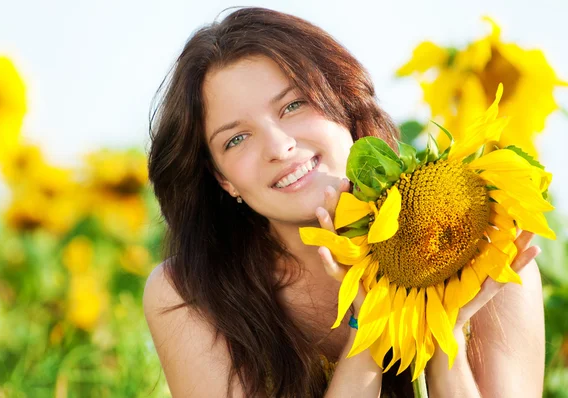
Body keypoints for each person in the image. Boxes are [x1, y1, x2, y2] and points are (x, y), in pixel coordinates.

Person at [143, 7, 545, 397]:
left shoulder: (487, 245)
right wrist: (367, 330)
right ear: (222, 179)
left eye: (293, 105)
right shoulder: (191, 293)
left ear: (345, 104)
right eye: (236, 139)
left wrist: (443, 332)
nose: (280, 147)